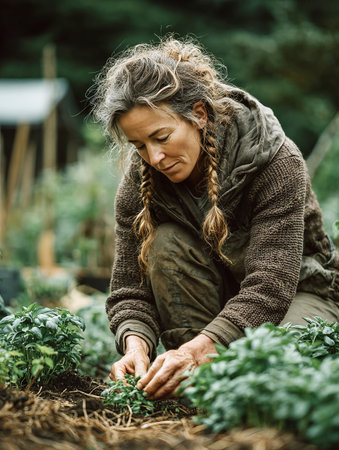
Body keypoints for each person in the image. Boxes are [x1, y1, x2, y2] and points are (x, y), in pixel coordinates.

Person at [93, 37, 339, 400]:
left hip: (296, 292)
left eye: (162, 137)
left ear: (199, 114)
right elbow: (129, 286)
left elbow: (271, 286)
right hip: (217, 301)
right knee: (164, 244)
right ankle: (197, 388)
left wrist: (200, 349)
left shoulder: (275, 161)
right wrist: (136, 344)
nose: (155, 157)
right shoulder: (141, 179)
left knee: (276, 371)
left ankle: (212, 372)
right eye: (140, 146)